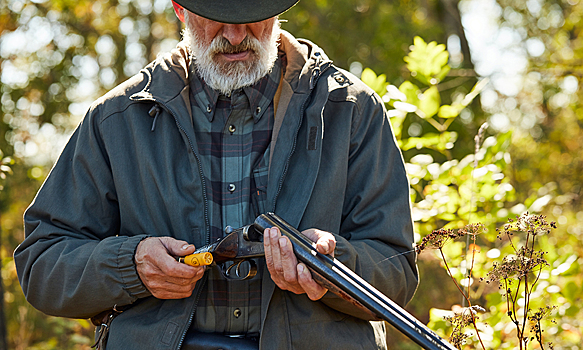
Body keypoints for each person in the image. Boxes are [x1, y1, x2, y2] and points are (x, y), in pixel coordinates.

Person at [14, 0, 419, 349]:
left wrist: (333, 269)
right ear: (179, 10)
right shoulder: (116, 119)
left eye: (252, 15)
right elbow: (42, 264)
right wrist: (131, 265)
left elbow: (397, 273)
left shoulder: (353, 110)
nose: (237, 34)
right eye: (217, 16)